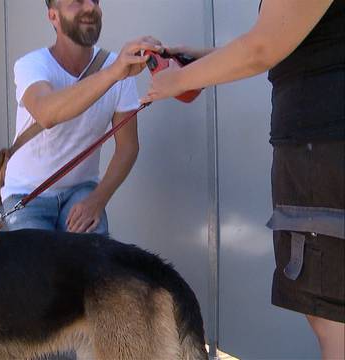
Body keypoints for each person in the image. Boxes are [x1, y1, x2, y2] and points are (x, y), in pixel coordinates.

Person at [142, 0, 344, 358]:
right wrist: (204, 60)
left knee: (333, 320)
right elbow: (286, 39)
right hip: (319, 151)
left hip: (324, 152)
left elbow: (262, 48)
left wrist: (178, 80)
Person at [1, 0, 161, 234]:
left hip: (81, 190)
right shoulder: (32, 65)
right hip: (27, 194)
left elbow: (127, 147)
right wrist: (113, 73)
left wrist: (98, 199)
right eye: (76, 2)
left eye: (94, 0)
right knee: (38, 269)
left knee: (97, 265)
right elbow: (47, 113)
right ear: (53, 17)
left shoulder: (118, 69)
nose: (90, 7)